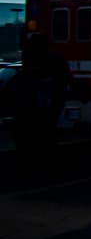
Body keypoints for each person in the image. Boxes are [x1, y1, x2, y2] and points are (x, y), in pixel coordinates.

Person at [12, 32, 71, 163]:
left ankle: (33, 157)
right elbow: (65, 78)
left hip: (33, 103)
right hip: (46, 102)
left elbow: (22, 79)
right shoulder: (55, 58)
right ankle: (47, 158)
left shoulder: (29, 56)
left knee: (32, 131)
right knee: (46, 130)